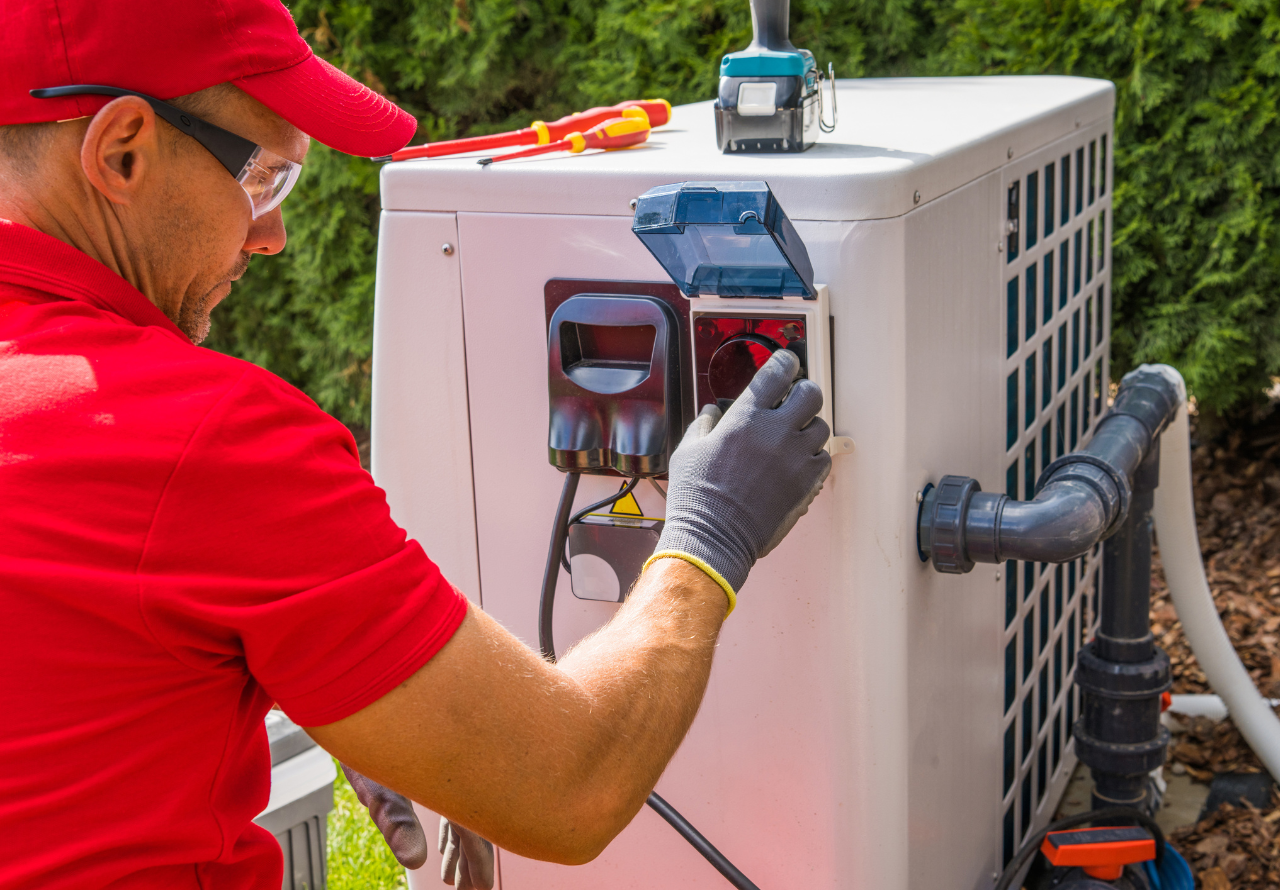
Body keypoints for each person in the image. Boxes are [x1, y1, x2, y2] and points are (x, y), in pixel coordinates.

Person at [0, 0, 832, 888]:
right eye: (262, 181)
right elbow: (566, 782)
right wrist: (710, 536)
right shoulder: (199, 440)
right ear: (122, 149)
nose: (272, 237)